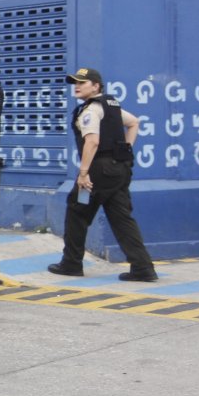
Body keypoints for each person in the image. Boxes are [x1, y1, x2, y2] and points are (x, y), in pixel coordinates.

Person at [48, 67, 157, 282]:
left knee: (77, 212)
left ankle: (71, 263)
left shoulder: (90, 109)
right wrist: (125, 149)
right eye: (75, 83)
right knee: (121, 217)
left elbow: (93, 141)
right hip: (119, 169)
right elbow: (134, 122)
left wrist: (83, 173)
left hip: (97, 171)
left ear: (96, 86)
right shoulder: (111, 105)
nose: (76, 86)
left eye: (82, 82)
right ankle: (143, 267)